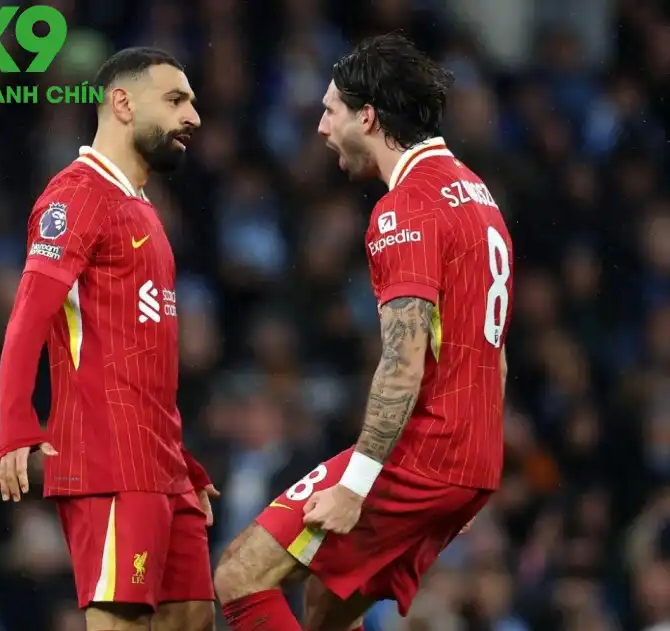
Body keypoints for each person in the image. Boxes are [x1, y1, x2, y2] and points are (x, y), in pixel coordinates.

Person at [213, 33, 513, 631]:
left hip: (427, 451)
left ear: (368, 117)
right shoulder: (478, 196)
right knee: (326, 604)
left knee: (239, 576)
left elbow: (402, 363)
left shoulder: (405, 208)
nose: (321, 127)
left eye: (331, 111)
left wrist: (356, 486)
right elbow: (494, 355)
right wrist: (470, 476)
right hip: (471, 457)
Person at [0, 47, 216, 631]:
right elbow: (27, 318)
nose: (193, 116)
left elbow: (140, 356)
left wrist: (179, 458)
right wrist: (16, 424)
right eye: (176, 100)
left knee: (194, 618)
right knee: (122, 621)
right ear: (122, 103)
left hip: (161, 463)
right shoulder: (77, 196)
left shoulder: (141, 209)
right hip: (109, 462)